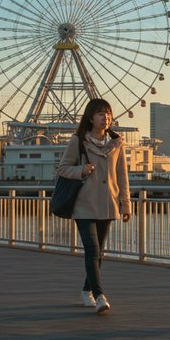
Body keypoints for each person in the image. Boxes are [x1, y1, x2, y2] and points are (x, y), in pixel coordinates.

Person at [56, 98, 131, 314]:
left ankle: (86, 290)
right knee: (92, 249)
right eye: (100, 114)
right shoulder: (78, 141)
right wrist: (81, 170)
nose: (105, 117)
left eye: (108, 114)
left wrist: (125, 204)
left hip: (108, 203)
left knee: (100, 252)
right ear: (91, 117)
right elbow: (62, 169)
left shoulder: (116, 143)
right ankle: (99, 295)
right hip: (84, 203)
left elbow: (122, 176)